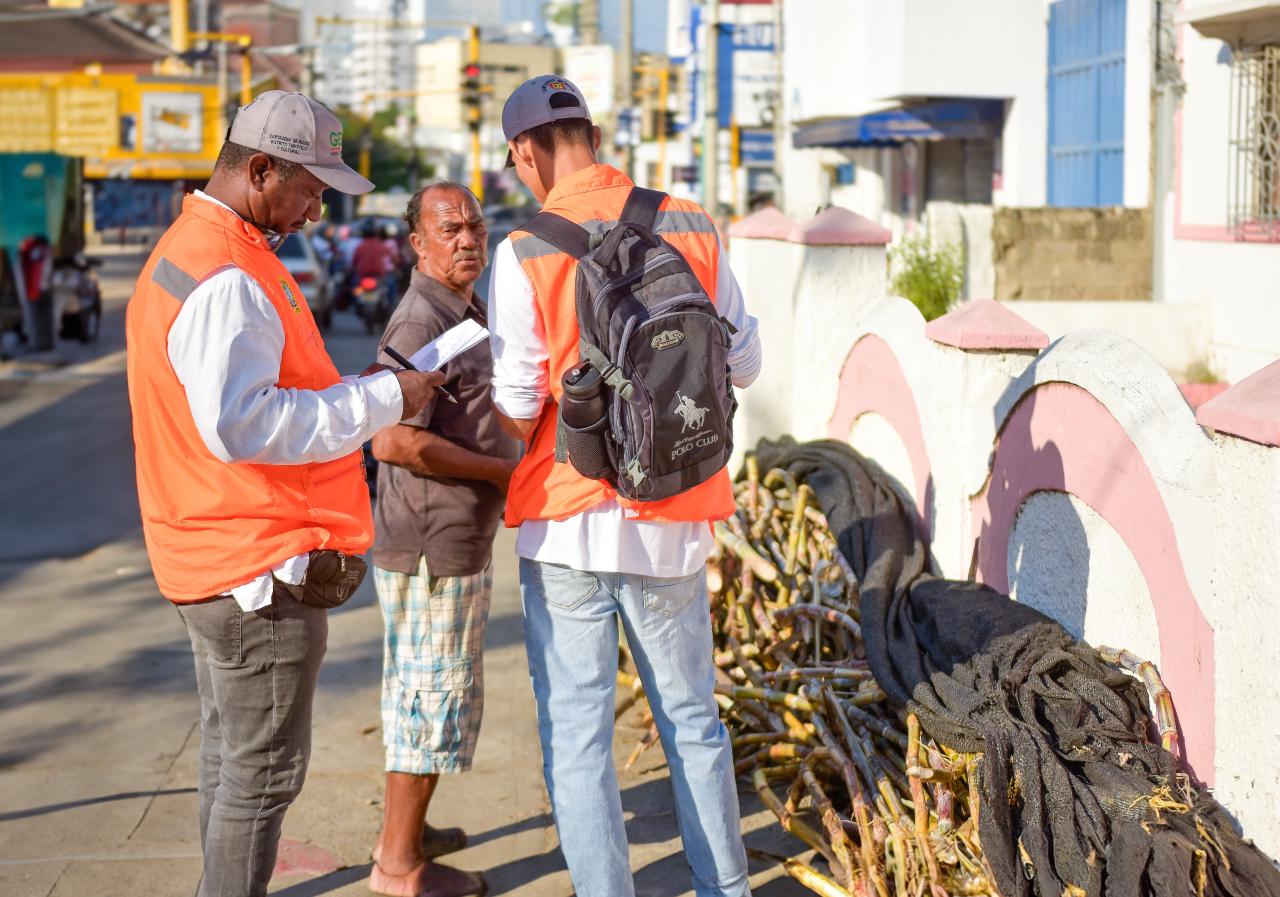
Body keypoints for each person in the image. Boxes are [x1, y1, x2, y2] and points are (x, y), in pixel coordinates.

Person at [124, 90, 443, 897]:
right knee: (261, 779)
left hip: (211, 548)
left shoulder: (199, 246)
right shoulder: (228, 274)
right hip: (254, 567)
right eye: (309, 187)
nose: (314, 208)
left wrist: (358, 389)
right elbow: (244, 423)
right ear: (259, 168)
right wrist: (384, 400)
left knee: (232, 764)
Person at [488, 75, 763, 897]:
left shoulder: (523, 250)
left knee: (578, 734)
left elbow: (513, 405)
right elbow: (743, 361)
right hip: (674, 515)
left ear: (523, 154)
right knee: (694, 724)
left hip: (568, 524)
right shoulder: (689, 222)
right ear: (596, 136)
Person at [366, 182, 518, 897]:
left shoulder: (462, 305)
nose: (467, 239)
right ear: (417, 243)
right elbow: (393, 439)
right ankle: (398, 865)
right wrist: (500, 472)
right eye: (448, 228)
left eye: (475, 226)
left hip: (452, 538)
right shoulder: (420, 317)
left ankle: (411, 832)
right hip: (430, 543)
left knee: (428, 693)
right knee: (429, 700)